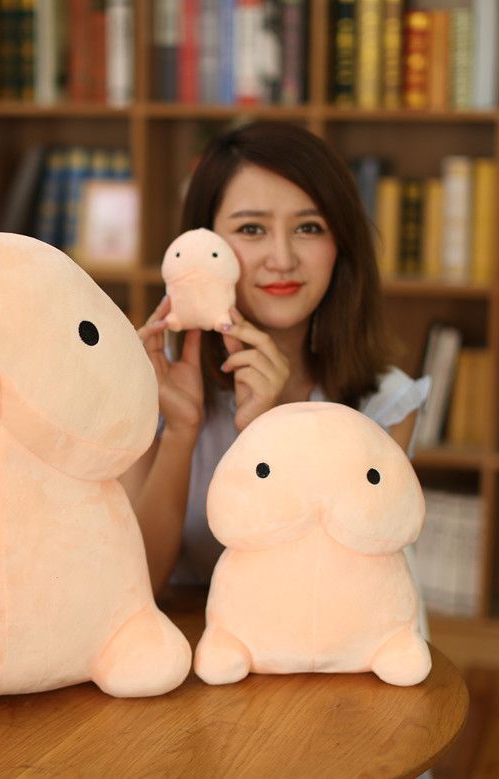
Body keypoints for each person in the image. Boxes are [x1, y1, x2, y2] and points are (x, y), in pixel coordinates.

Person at [121, 121, 431, 606]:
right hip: (178, 641)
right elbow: (130, 587)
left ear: (340, 245)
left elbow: (340, 599)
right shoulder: (149, 385)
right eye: (252, 229)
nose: (282, 259)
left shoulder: (384, 402)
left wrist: (270, 434)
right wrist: (181, 430)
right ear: (202, 245)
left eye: (309, 228)